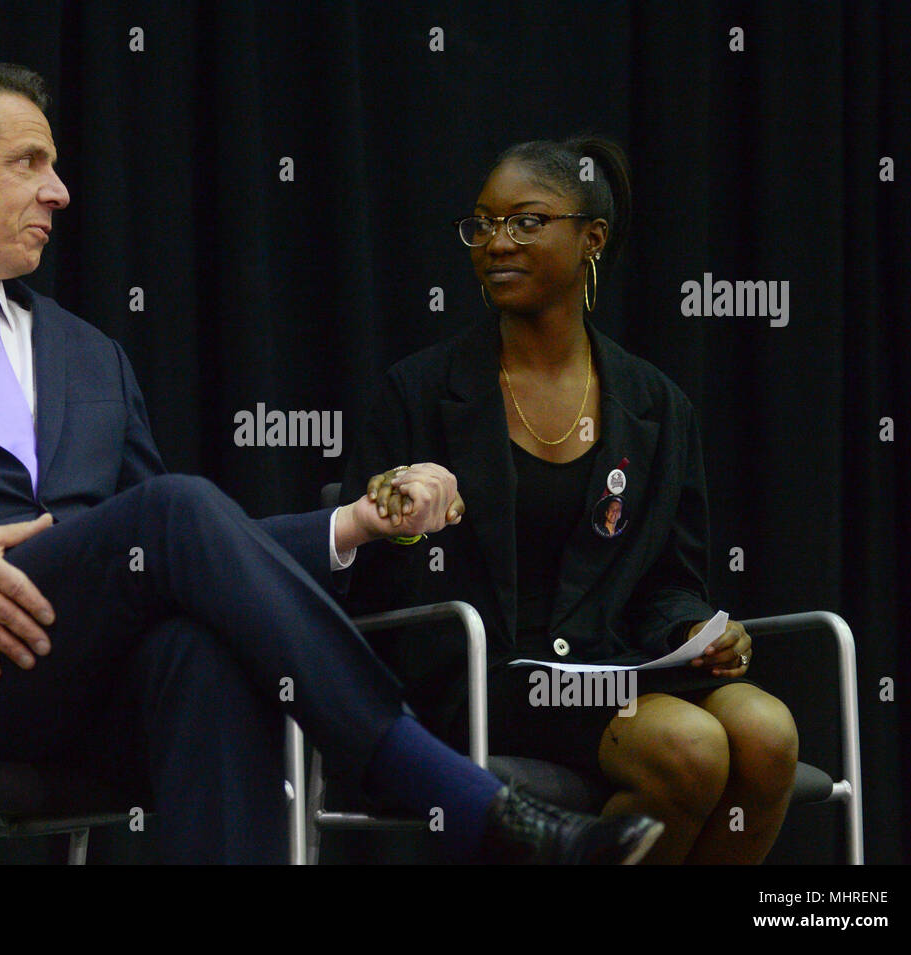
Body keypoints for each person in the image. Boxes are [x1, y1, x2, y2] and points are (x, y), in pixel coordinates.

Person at [0, 61, 663, 864]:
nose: (60, 190)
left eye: (58, 165)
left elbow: (174, 558)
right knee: (172, 518)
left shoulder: (89, 356)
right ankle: (442, 787)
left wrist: (352, 526)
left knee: (201, 644)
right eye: (31, 162)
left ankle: (440, 792)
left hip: (79, 683)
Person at [341, 137, 799, 864]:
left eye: (525, 222)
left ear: (592, 239)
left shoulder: (656, 405)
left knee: (769, 733)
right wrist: (395, 519)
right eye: (483, 224)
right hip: (485, 682)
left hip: (615, 668)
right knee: (690, 749)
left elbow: (670, 583)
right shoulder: (420, 392)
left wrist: (698, 630)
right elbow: (368, 579)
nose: (496, 242)